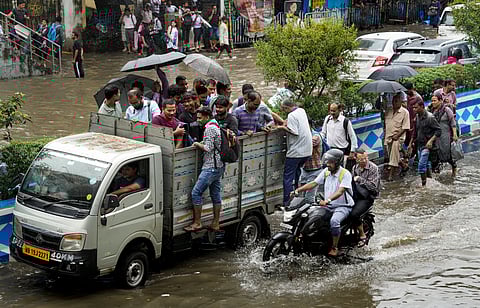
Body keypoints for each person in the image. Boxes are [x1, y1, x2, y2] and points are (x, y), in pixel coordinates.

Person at [293, 149, 355, 257]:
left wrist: (327, 200)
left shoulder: (345, 174)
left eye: (331, 162)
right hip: (327, 206)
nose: (328, 164)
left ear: (337, 162)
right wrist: (298, 190)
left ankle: (334, 247)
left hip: (343, 206)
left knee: (334, 221)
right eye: (327, 161)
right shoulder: (326, 171)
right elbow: (314, 183)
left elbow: (340, 191)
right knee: (311, 217)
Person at [184, 106, 225, 232]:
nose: (198, 120)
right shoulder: (216, 125)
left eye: (200, 118)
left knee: (196, 193)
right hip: (219, 165)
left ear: (207, 117)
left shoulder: (210, 128)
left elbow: (208, 148)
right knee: (215, 194)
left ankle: (197, 223)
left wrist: (197, 144)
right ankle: (215, 223)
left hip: (211, 166)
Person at [277, 99, 313, 207]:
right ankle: (297, 199)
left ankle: (287, 202)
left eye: (283, 108)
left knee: (288, 178)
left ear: (287, 107)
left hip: (296, 152)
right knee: (297, 174)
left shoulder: (292, 115)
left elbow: (294, 132)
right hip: (307, 151)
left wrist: (281, 127)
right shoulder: (301, 111)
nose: (283, 110)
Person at [408, 100, 442, 187]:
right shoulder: (417, 117)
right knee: (426, 165)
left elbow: (438, 130)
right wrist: (410, 143)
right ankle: (430, 182)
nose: (414, 109)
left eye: (416, 107)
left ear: (422, 107)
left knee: (421, 166)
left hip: (427, 146)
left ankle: (423, 185)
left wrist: (431, 140)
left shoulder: (430, 117)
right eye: (413, 108)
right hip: (419, 145)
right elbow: (415, 131)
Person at [351, 150, 379, 247]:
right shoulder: (355, 167)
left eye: (366, 158)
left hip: (368, 197)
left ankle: (362, 235)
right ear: (356, 159)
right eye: (361, 159)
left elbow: (373, 187)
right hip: (357, 195)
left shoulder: (373, 168)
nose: (364, 161)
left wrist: (359, 179)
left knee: (354, 214)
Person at [429, 94, 458, 177]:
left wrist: (454, 134)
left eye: (435, 100)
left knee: (447, 154)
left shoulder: (446, 110)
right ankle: (436, 174)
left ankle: (454, 168)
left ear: (440, 101)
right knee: (436, 155)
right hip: (435, 136)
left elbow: (453, 123)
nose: (433, 102)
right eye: (432, 100)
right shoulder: (432, 111)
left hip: (445, 136)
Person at [385, 93, 410, 181]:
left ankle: (390, 176)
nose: (394, 103)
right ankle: (404, 165)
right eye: (393, 101)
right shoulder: (389, 111)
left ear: (400, 102)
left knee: (393, 156)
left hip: (398, 137)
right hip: (388, 136)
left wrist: (397, 135)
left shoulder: (405, 112)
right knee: (392, 155)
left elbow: (406, 127)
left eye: (396, 101)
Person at [299, 121, 324, 204]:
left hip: (315, 170)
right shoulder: (304, 135)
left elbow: (307, 145)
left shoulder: (315, 136)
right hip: (305, 169)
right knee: (301, 197)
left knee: (309, 198)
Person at [404, 82, 423, 150]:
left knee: (415, 137)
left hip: (415, 121)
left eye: (407, 90)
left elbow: (421, 109)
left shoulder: (418, 97)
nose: (406, 92)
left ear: (411, 89)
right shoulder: (407, 97)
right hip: (408, 121)